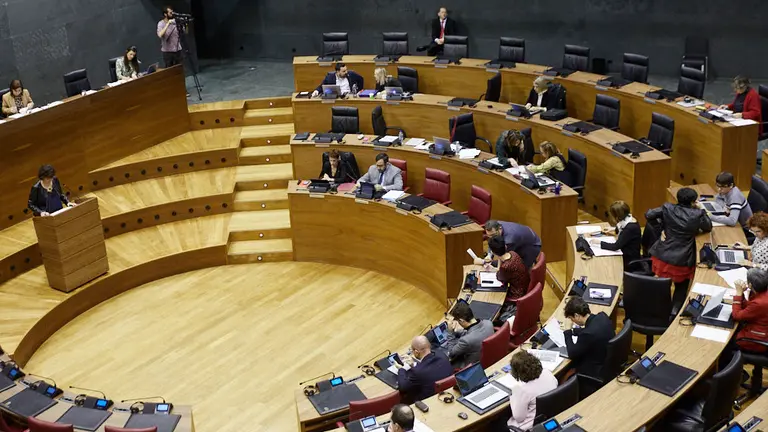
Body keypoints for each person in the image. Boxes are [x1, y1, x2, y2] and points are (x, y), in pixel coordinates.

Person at [646, 187, 712, 309]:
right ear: (693, 202)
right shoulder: (697, 214)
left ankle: (658, 309)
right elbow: (708, 227)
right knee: (681, 289)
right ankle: (674, 312)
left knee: (662, 285)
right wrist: (701, 210)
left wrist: (660, 229)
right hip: (682, 259)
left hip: (663, 254)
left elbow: (649, 214)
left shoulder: (668, 208)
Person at [719, 268, 768, 370]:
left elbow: (737, 315)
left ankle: (726, 371)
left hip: (757, 340)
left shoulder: (760, 303)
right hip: (761, 330)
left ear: (750, 285)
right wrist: (742, 294)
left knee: (724, 343)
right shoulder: (763, 293)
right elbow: (749, 309)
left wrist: (738, 294)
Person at [563, 297, 615, 379]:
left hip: (595, 368)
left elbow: (572, 354)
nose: (572, 321)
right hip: (607, 360)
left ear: (577, 316)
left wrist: (567, 332)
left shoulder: (587, 334)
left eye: (571, 318)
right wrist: (575, 331)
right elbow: (592, 328)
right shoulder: (602, 316)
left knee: (568, 369)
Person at [506, 350, 558, 430]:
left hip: (530, 427)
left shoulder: (522, 390)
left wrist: (513, 395)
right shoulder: (547, 373)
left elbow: (519, 418)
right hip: (550, 417)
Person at [395, 335, 453, 403]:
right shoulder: (442, 355)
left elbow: (403, 387)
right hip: (447, 392)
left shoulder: (418, 372)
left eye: (411, 350)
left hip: (428, 401)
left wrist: (402, 369)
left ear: (416, 352)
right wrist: (413, 364)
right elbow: (429, 367)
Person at [588, 201, 641, 270]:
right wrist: (612, 229)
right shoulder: (628, 219)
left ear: (617, 216)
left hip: (628, 259)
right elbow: (620, 228)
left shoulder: (629, 228)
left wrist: (599, 242)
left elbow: (615, 246)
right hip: (625, 251)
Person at [447, 300, 494, 369]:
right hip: (489, 358)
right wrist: (456, 332)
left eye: (457, 322)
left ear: (461, 320)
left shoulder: (466, 340)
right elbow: (473, 332)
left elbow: (451, 353)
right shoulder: (488, 323)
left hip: (472, 367)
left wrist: (450, 332)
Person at [476, 220, 542, 269]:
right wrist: (489, 255)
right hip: (522, 238)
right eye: (489, 236)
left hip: (532, 245)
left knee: (522, 269)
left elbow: (504, 257)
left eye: (493, 235)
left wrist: (489, 264)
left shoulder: (510, 240)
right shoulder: (496, 225)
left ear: (500, 229)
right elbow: (493, 241)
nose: (491, 238)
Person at [488, 235, 530, 301]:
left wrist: (495, 269)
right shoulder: (513, 253)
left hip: (517, 294)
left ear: (493, 253)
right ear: (505, 246)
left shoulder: (505, 267)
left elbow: (499, 277)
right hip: (525, 287)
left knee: (492, 296)